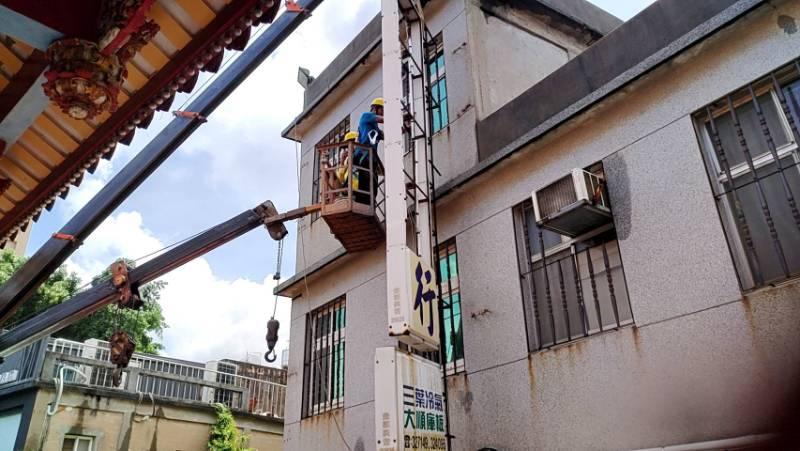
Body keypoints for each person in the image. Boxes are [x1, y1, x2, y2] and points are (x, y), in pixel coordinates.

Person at [354, 98, 385, 204]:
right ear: (375, 108)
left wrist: (403, 127)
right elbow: (382, 119)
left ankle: (370, 205)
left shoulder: (375, 128)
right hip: (362, 155)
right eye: (382, 110)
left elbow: (389, 134)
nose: (383, 113)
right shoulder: (366, 116)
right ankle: (362, 203)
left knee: (373, 185)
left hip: (371, 158)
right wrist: (399, 116)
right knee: (364, 182)